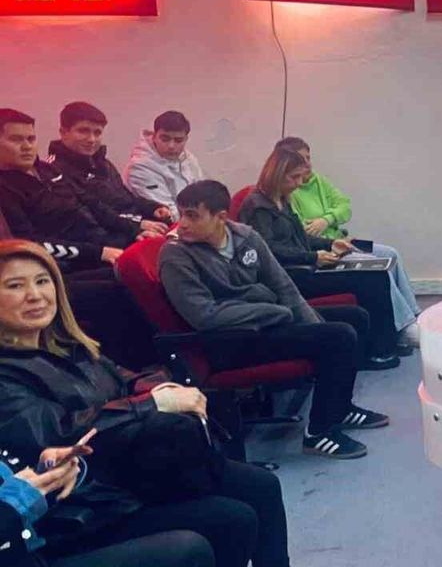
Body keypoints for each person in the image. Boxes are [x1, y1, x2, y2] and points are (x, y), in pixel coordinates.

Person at [0, 239, 291, 567]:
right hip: (89, 495)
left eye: (42, 281)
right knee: (230, 520)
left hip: (134, 463)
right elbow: (59, 433)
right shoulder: (6, 373)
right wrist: (153, 403)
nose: (35, 295)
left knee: (261, 486)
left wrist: (161, 388)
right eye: (15, 286)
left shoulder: (71, 346)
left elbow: (124, 379)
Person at [160, 180, 391, 458]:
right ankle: (319, 433)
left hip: (265, 323)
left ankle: (339, 408)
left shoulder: (245, 237)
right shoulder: (175, 256)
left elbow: (283, 286)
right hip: (228, 340)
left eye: (192, 216)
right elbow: (204, 316)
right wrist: (274, 312)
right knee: (338, 337)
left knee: (354, 318)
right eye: (181, 214)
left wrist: (310, 324)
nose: (182, 224)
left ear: (220, 217)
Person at [0, 110, 160, 368]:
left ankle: (160, 360)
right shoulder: (6, 189)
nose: (27, 146)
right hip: (60, 269)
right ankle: (128, 371)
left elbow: (92, 204)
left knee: (151, 267)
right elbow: (30, 245)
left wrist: (134, 228)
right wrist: (98, 252)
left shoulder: (47, 169)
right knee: (119, 288)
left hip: (98, 246)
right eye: (17, 139)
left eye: (31, 138)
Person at [239, 148, 404, 366]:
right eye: (294, 177)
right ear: (277, 174)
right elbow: (269, 250)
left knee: (377, 274)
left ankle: (383, 346)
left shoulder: (282, 199)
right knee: (370, 279)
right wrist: (313, 257)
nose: (299, 183)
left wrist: (329, 244)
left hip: (303, 266)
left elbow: (300, 237)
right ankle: (376, 352)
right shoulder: (257, 206)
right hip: (288, 277)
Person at [276, 136, 421, 340]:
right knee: (378, 266)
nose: (307, 164)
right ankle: (403, 328)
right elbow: (303, 233)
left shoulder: (319, 181)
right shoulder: (289, 192)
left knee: (391, 253)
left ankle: (413, 316)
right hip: (326, 251)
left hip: (343, 241)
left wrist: (326, 220)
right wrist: (328, 231)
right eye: (301, 160)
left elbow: (345, 207)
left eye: (308, 157)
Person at [0, 446, 215, 567]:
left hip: (44, 535)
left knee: (221, 516)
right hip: (25, 550)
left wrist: (48, 477)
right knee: (189, 549)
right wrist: (20, 498)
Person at [47, 102, 172, 225]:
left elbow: (125, 199)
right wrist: (137, 225)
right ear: (63, 132)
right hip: (109, 235)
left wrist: (152, 208)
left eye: (97, 133)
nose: (91, 139)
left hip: (130, 227)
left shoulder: (103, 163)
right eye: (83, 131)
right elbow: (87, 219)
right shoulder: (52, 171)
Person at [124, 111, 205, 216]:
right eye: (165, 139)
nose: (171, 146)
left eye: (178, 140)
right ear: (154, 137)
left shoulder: (188, 158)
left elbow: (203, 195)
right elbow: (167, 213)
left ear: (186, 139)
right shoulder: (139, 167)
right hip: (159, 223)